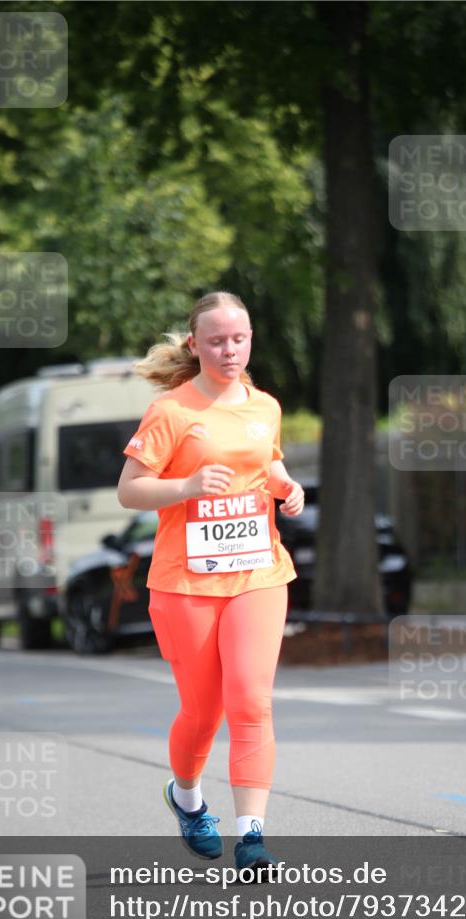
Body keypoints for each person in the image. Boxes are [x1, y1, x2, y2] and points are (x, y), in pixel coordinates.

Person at [117, 290, 304, 875]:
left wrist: (287, 487)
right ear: (194, 345)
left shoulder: (265, 406)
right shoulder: (172, 412)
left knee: (251, 700)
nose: (230, 350)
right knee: (203, 712)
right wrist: (187, 487)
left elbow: (267, 463)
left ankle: (252, 836)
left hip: (258, 573)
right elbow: (129, 489)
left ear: (251, 340)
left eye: (239, 339)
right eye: (217, 340)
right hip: (186, 583)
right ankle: (187, 798)